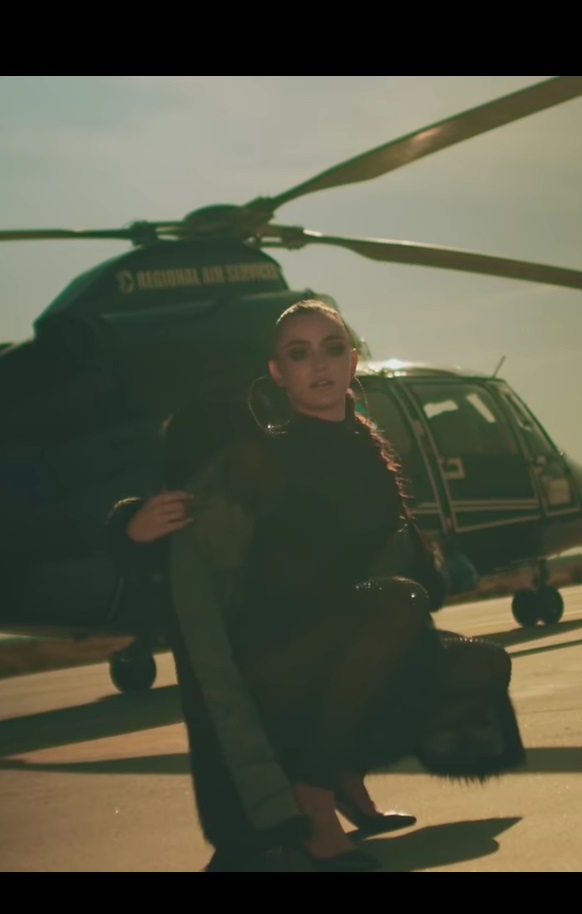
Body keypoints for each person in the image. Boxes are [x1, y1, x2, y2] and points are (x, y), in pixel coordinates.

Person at [108, 300, 522, 871]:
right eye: (299, 354)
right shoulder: (266, 453)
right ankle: (313, 799)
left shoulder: (367, 447)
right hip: (274, 651)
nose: (319, 364)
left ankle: (345, 772)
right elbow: (199, 519)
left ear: (353, 361)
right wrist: (129, 527)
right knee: (398, 604)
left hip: (346, 632)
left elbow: (398, 563)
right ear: (278, 373)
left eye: (332, 348)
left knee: (481, 663)